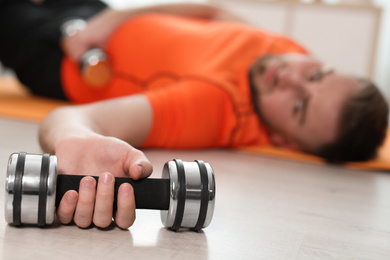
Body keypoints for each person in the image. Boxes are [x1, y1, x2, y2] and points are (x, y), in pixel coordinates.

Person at [2, 1, 389, 229]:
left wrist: (77, 141)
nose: (289, 77)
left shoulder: (214, 106)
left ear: (284, 141)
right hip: (97, 16)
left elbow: (75, 118)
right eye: (317, 74)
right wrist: (110, 21)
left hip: (60, 56)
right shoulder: (288, 51)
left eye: (298, 106)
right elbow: (213, 10)